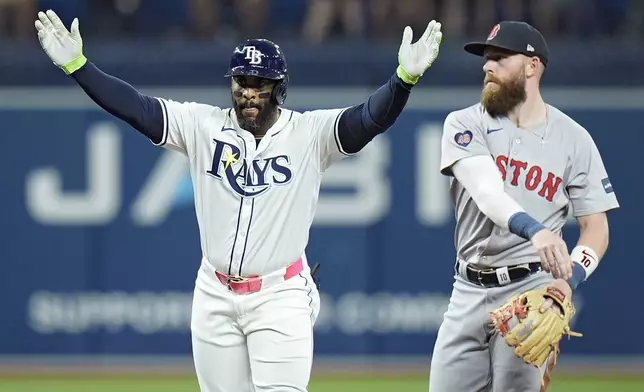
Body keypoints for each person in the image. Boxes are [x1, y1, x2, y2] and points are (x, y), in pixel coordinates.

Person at [34, 9, 443, 392]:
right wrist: (79, 68)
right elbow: (137, 109)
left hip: (279, 297)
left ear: (278, 89)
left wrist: (403, 79)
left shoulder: (309, 133)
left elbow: (368, 118)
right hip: (214, 292)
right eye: (241, 82)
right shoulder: (202, 125)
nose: (248, 92)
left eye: (259, 84)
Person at [430, 21, 619, 391]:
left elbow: (596, 228)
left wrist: (569, 280)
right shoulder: (466, 123)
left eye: (500, 58)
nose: (487, 66)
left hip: (531, 292)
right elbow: (487, 193)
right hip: (467, 287)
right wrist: (537, 230)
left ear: (532, 66)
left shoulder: (575, 139)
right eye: (486, 59)